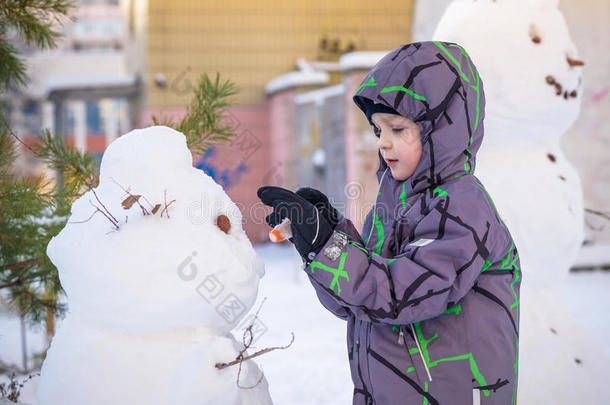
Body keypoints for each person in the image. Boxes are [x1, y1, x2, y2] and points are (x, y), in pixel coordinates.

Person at [257, 41, 521, 405]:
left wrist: (327, 248)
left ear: (440, 130)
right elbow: (356, 301)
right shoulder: (393, 200)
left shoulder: (464, 208)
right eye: (378, 130)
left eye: (398, 129)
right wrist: (326, 235)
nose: (383, 143)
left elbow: (399, 294)